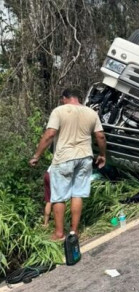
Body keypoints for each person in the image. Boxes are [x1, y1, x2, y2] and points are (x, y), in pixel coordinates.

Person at [29, 88, 106, 241]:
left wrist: (37, 155)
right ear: (78, 98)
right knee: (78, 194)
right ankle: (74, 232)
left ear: (64, 98)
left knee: (59, 197)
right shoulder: (91, 113)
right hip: (85, 157)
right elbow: (100, 136)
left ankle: (59, 233)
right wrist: (103, 155)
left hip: (64, 157)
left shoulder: (59, 111)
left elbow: (50, 134)